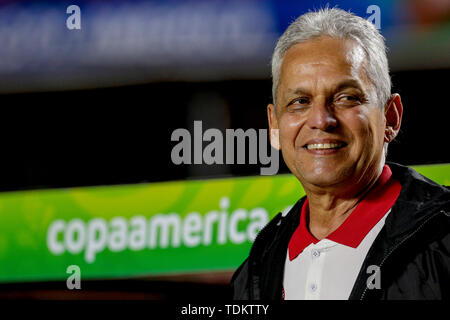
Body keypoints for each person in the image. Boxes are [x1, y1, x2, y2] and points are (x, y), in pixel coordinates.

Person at [230, 8, 450, 300]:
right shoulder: (258, 268)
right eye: (300, 101)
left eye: (346, 98)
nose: (321, 120)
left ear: (391, 117)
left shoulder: (444, 241)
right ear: (274, 126)